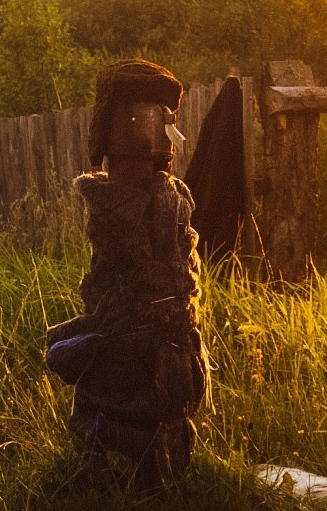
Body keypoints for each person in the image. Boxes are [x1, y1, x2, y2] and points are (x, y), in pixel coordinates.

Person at [45, 59, 207, 486]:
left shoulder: (167, 196)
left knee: (140, 388)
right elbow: (116, 268)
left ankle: (137, 463)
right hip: (147, 332)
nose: (157, 131)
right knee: (123, 381)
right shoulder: (124, 200)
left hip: (162, 335)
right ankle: (127, 460)